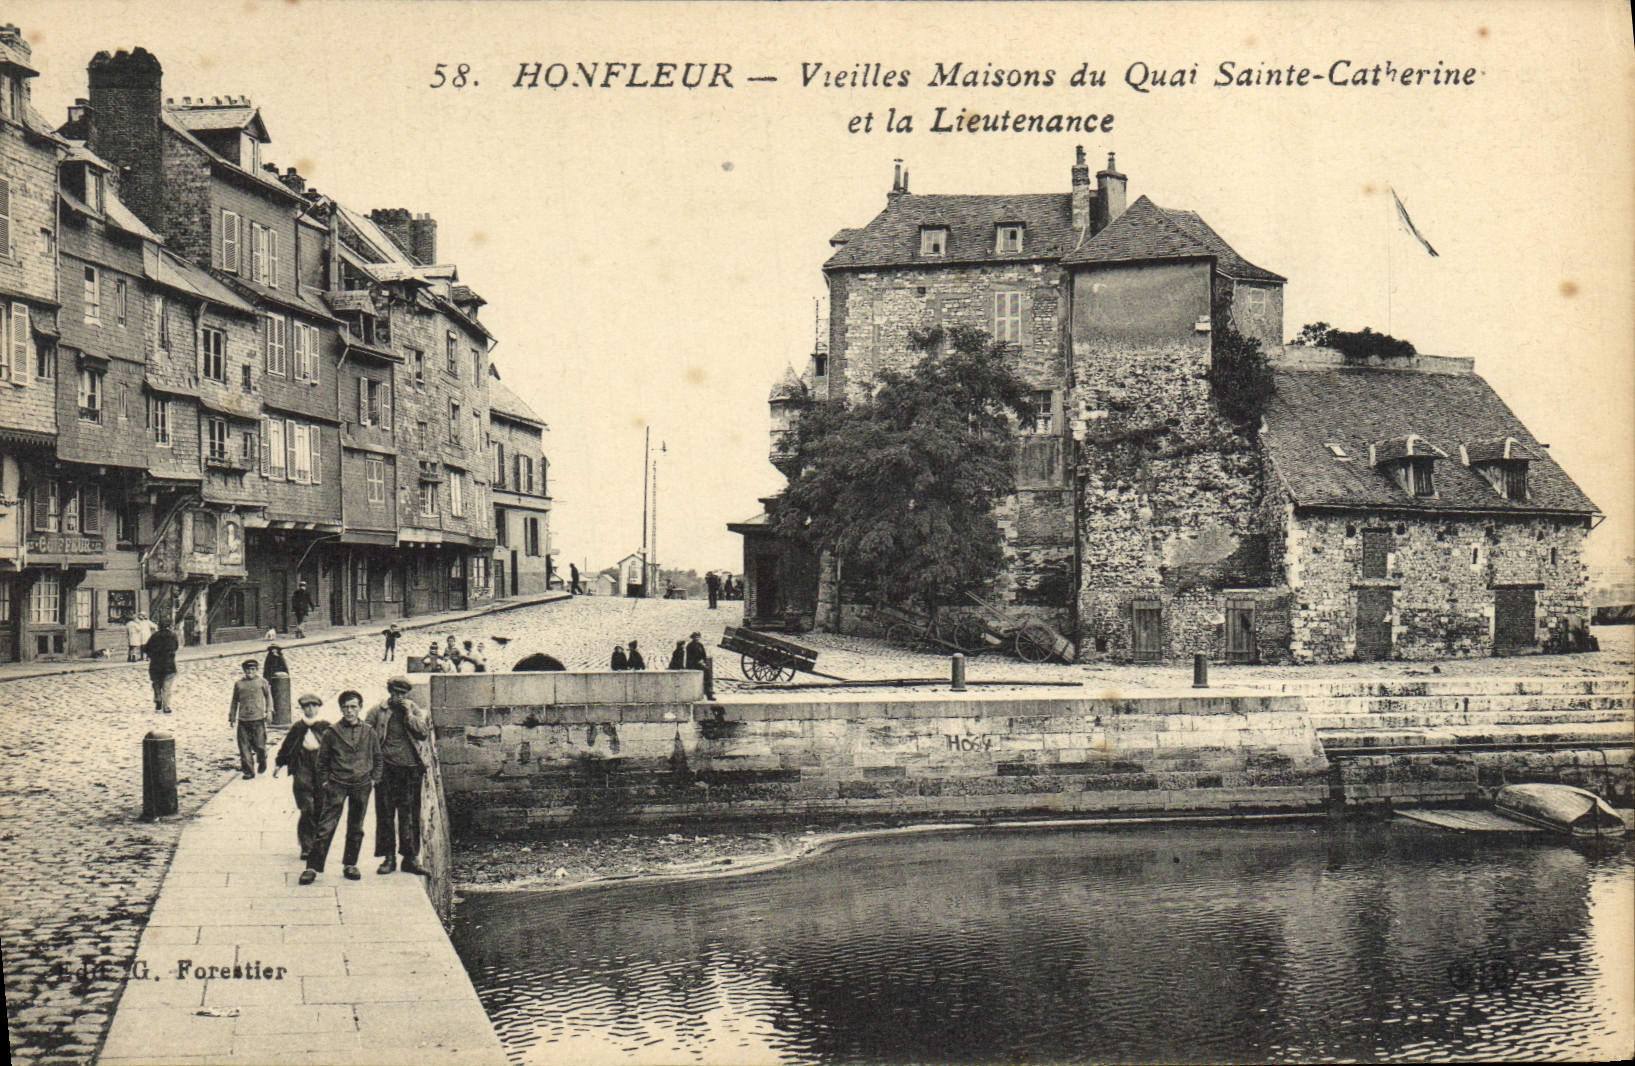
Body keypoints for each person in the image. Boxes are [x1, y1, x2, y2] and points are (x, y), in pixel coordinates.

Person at [301, 690, 380, 884]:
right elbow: (322, 762)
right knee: (326, 826)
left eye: (353, 707)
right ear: (340, 709)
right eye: (346, 707)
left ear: (360, 708)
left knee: (356, 827)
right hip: (337, 785)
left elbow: (378, 758)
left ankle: (350, 864)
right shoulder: (332, 733)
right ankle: (312, 867)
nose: (350, 711)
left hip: (361, 785)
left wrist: (373, 779)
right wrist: (327, 782)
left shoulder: (369, 732)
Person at [367, 677, 433, 876]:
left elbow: (423, 733)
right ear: (389, 692)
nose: (398, 697)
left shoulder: (413, 710)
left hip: (411, 769)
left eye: (402, 693)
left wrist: (408, 715)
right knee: (386, 813)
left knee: (410, 814)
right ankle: (389, 857)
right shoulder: (378, 710)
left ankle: (410, 858)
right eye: (395, 693)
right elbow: (366, 735)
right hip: (386, 769)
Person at [274, 693, 333, 863]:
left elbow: (335, 747)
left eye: (313, 706)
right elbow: (287, 745)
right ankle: (307, 846)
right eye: (307, 706)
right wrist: (279, 763)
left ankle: (318, 843)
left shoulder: (326, 726)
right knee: (307, 807)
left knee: (321, 806)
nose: (310, 709)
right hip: (302, 765)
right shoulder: (298, 727)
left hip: (321, 767)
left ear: (318, 707)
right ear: (302, 708)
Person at [228, 659, 273, 780]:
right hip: (243, 720)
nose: (250, 672)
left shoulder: (262, 682)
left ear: (257, 670)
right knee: (244, 747)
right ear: (244, 670)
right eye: (248, 669)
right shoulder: (239, 684)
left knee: (260, 745)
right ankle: (249, 771)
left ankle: (262, 758)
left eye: (253, 669)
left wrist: (269, 711)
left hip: (258, 719)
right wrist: (232, 716)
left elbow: (269, 697)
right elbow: (234, 701)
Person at [145, 618, 179, 714]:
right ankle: (166, 706)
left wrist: (153, 656)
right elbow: (175, 647)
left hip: (156, 664)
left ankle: (158, 700)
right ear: (169, 626)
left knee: (156, 683)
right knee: (167, 686)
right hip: (169, 665)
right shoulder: (173, 636)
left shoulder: (154, 636)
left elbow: (147, 648)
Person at [686, 632, 714, 700]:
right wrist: (699, 662)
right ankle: (709, 693)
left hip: (699, 664)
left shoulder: (700, 645)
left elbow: (703, 655)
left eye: (698, 637)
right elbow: (690, 657)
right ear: (693, 638)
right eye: (695, 637)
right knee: (706, 672)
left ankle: (709, 693)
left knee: (707, 674)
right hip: (693, 665)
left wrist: (703, 662)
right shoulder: (690, 646)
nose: (697, 638)